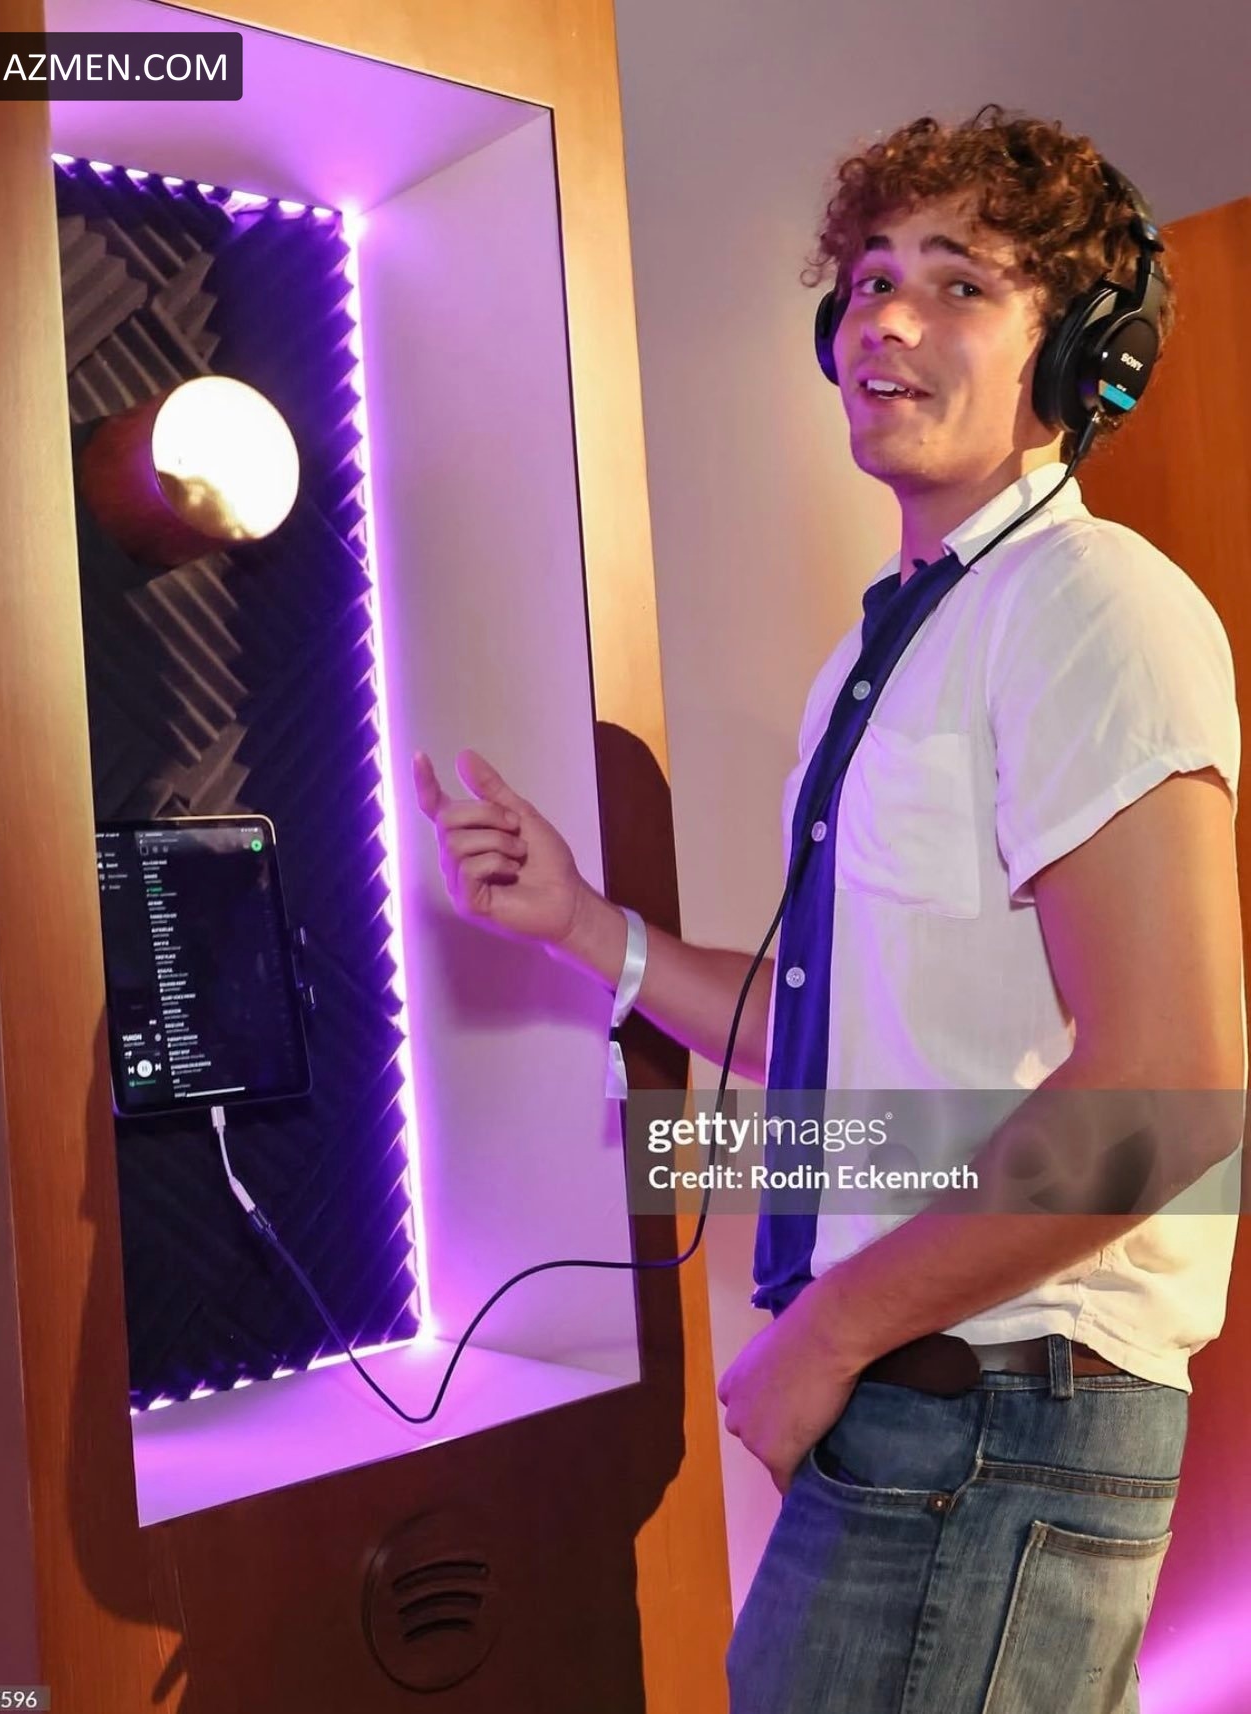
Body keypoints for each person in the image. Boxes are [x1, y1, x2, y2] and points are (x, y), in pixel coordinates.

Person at [412, 103, 1245, 1712]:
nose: (887, 320)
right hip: (920, 1410)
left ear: (1084, 350)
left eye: (959, 282)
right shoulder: (890, 649)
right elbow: (837, 1040)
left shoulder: (1095, 609)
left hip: (1003, 1412)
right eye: (868, 281)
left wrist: (826, 1334)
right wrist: (583, 925)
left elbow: (1167, 1094)